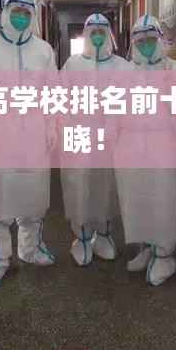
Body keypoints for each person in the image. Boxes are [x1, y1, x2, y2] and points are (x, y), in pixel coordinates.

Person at [0, 0, 57, 285]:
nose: (21, 17)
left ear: (32, 16)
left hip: (33, 137)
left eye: (26, 13)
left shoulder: (43, 50)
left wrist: (52, 125)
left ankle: (31, 249)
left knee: (33, 196)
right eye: (16, 11)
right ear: (5, 13)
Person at [115, 15, 176, 285]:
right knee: (137, 198)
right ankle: (146, 247)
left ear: (160, 40)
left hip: (165, 144)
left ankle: (165, 255)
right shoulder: (123, 72)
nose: (145, 45)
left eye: (150, 39)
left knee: (164, 198)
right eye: (140, 40)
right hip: (130, 145)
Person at [61, 13, 128, 266]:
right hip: (79, 135)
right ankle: (81, 238)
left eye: (102, 32)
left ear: (108, 35)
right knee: (79, 185)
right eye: (93, 32)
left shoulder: (122, 66)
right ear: (86, 35)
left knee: (107, 185)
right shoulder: (73, 65)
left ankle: (104, 235)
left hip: (112, 138)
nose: (98, 37)